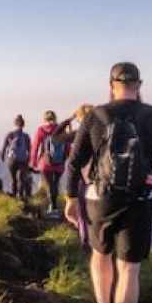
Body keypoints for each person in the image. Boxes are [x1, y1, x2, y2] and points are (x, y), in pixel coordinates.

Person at [63, 62, 152, 303]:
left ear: (111, 86)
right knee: (129, 268)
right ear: (139, 85)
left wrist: (70, 198)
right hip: (137, 201)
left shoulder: (95, 116)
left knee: (101, 254)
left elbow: (75, 162)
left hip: (99, 199)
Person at [54, 104, 95, 249]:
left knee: (82, 212)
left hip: (83, 177)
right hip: (101, 179)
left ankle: (86, 242)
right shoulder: (103, 133)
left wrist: (68, 120)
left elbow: (55, 137)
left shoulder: (78, 134)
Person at [30, 110, 66, 215]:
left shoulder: (41, 130)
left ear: (44, 119)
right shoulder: (61, 129)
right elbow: (67, 145)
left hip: (45, 163)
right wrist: (65, 158)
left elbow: (35, 147)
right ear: (55, 118)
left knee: (50, 185)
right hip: (59, 164)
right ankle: (55, 207)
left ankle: (52, 208)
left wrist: (33, 162)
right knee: (55, 184)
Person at [0, 115, 32, 201]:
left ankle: (14, 196)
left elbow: (4, 146)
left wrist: (2, 156)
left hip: (12, 160)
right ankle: (20, 196)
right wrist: (30, 159)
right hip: (23, 160)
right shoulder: (26, 136)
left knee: (13, 179)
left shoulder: (10, 135)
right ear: (23, 125)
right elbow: (29, 149)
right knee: (21, 179)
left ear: (14, 124)